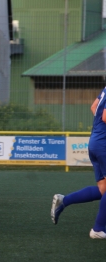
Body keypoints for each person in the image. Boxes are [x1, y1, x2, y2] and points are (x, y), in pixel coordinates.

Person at [51, 87, 106, 239]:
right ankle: (98, 229)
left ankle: (64, 201)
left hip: (95, 141)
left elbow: (94, 107)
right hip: (103, 144)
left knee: (103, 190)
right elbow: (105, 116)